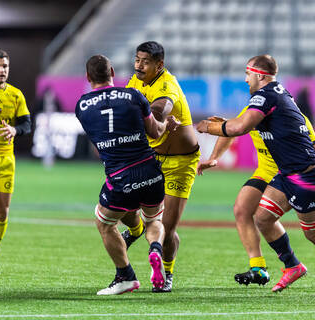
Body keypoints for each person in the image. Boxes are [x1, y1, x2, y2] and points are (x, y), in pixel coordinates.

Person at [197, 54, 315, 292]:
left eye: (248, 74)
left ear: (260, 75)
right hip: (285, 175)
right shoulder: (274, 95)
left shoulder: (266, 96)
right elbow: (237, 126)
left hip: (304, 176)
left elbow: (239, 127)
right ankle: (292, 265)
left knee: (312, 235)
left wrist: (207, 127)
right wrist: (216, 151)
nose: (245, 79)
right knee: (262, 217)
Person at [75, 54, 180, 295]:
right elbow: (155, 132)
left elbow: (99, 139)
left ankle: (125, 276)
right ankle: (154, 248)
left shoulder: (81, 106)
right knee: (153, 220)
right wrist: (167, 124)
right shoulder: (134, 96)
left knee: (104, 223)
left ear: (88, 77)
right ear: (112, 72)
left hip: (120, 177)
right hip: (150, 170)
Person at [120, 41, 200, 292]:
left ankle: (166, 274)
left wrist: (148, 115)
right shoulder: (135, 81)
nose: (139, 65)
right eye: (137, 59)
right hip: (151, 159)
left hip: (181, 162)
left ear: (159, 64)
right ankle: (136, 229)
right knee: (119, 203)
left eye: (145, 61)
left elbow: (160, 108)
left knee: (167, 226)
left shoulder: (168, 85)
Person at [0, 49, 31, 274]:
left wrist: (15, 130)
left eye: (4, 67)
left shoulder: (16, 95)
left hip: (6, 160)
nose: (1, 70)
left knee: (2, 212)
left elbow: (27, 125)